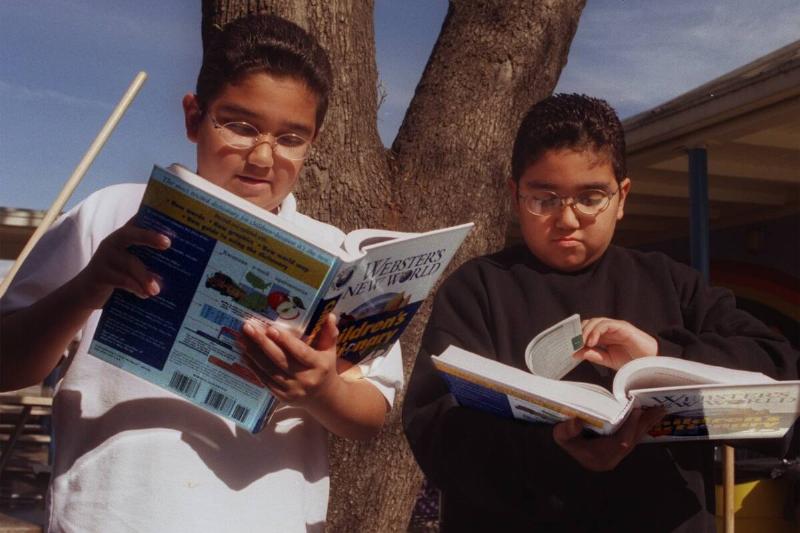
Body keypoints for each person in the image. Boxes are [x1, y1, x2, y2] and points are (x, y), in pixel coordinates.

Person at [0, 15, 402, 533]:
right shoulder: (111, 214)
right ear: (194, 117)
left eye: (291, 138)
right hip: (108, 517)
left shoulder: (335, 257)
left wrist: (320, 388)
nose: (262, 156)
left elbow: (371, 416)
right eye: (239, 124)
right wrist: (86, 289)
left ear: (313, 143)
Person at [402, 93, 798, 532]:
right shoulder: (477, 289)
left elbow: (777, 367)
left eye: (591, 197)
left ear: (622, 196)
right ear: (515, 194)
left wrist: (657, 354)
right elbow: (435, 429)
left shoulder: (670, 282)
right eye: (544, 198)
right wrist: (549, 450)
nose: (568, 219)